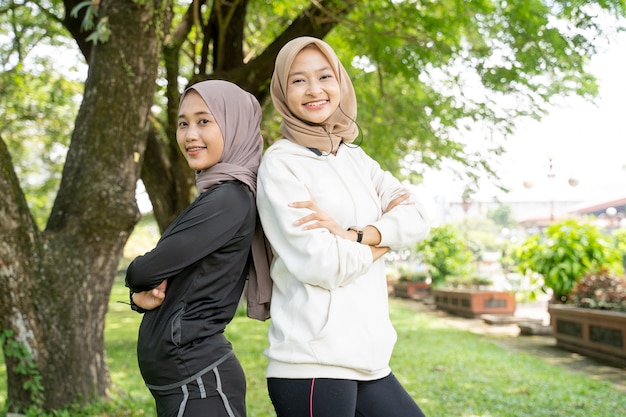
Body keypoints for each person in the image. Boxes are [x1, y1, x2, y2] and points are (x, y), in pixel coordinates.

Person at [256, 36, 431, 417]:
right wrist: (386, 241)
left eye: (324, 76)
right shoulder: (281, 164)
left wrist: (355, 236)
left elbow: (417, 217)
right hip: (312, 363)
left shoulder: (355, 157)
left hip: (369, 358)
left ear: (340, 81)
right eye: (298, 80)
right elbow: (325, 264)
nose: (315, 90)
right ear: (283, 91)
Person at [126, 79, 270, 417]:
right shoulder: (215, 195)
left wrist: (138, 275)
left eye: (204, 121)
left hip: (201, 385)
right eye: (183, 123)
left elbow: (145, 271)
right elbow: (174, 282)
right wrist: (138, 299)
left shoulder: (229, 198)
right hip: (187, 383)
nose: (190, 134)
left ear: (234, 125)